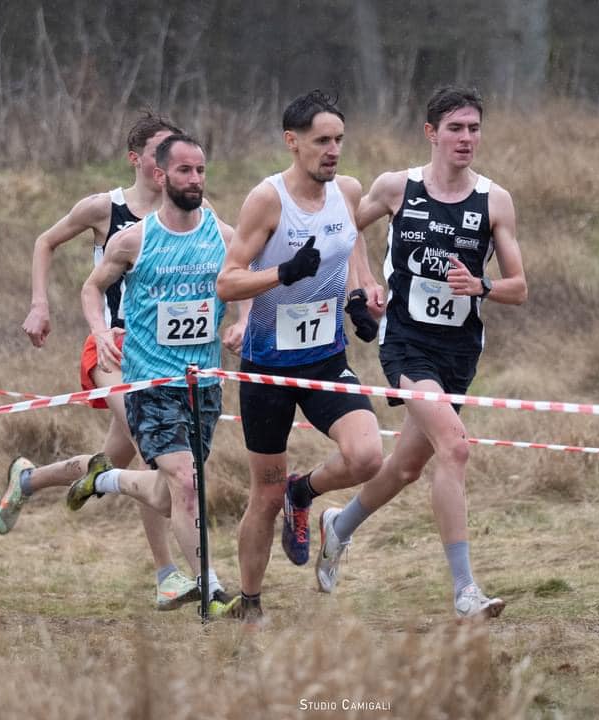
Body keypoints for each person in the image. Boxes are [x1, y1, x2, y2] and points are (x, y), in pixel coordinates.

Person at [315, 86, 527, 620]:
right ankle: (465, 591)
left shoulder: (494, 201)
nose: (466, 138)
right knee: (454, 447)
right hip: (407, 344)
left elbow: (519, 287)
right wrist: (364, 283)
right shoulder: (397, 187)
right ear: (431, 133)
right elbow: (341, 229)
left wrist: (481, 286)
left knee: (407, 467)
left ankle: (338, 526)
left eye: (473, 128)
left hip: (460, 351)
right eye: (455, 128)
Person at [0, 113, 200, 611]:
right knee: (158, 454)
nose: (168, 163)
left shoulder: (190, 208)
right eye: (158, 153)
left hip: (166, 356)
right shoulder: (105, 208)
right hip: (112, 349)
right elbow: (45, 241)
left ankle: (29, 480)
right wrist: (39, 304)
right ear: (137, 159)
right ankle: (169, 576)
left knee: (117, 459)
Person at [215, 90, 385, 623]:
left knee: (367, 456)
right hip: (267, 368)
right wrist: (283, 273)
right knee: (264, 496)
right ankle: (250, 603)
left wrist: (359, 297)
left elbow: (351, 246)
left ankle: (304, 491)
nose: (333, 150)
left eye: (339, 140)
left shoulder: (348, 191)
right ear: (292, 141)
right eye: (321, 141)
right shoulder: (267, 200)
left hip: (325, 360)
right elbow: (227, 282)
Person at [66, 133, 243, 617]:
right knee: (185, 482)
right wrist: (100, 331)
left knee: (171, 493)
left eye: (201, 170)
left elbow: (240, 282)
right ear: (162, 176)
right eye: (185, 170)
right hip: (150, 385)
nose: (195, 179)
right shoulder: (134, 240)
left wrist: (244, 322)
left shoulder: (223, 236)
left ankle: (106, 479)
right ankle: (211, 590)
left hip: (203, 384)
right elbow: (91, 287)